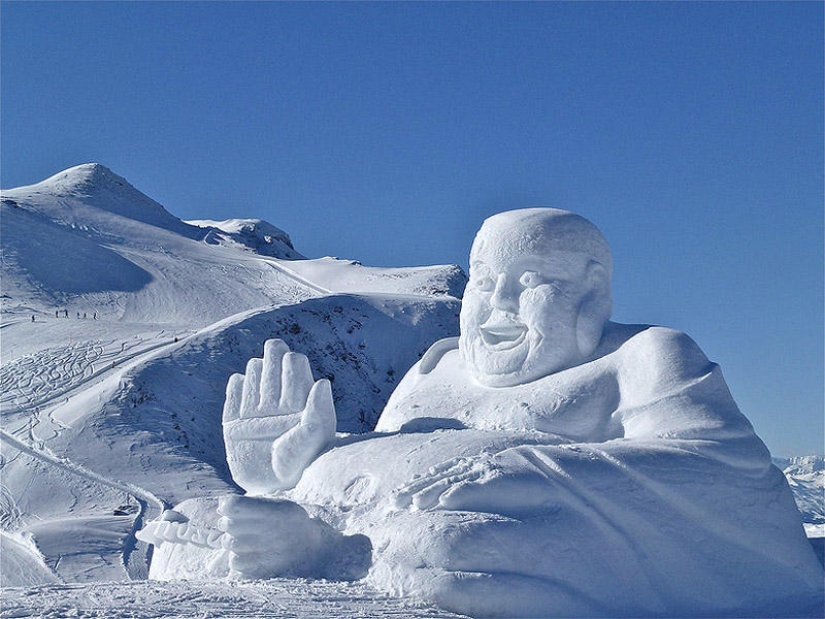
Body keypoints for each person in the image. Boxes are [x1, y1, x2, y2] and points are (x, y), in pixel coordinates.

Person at [144, 209, 823, 618]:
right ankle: (315, 550)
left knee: (452, 548)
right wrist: (290, 477)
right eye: (483, 282)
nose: (497, 304)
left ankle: (332, 553)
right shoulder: (435, 368)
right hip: (357, 536)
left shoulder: (643, 356)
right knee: (186, 531)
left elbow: (728, 484)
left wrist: (513, 469)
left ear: (592, 292)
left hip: (479, 545)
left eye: (530, 283)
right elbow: (392, 474)